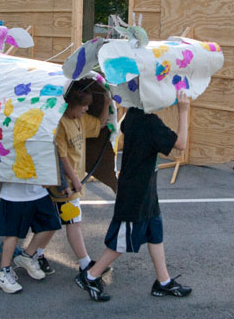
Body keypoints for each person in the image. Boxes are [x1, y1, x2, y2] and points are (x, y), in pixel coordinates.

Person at [76, 92, 192, 302]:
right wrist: (183, 110)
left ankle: (163, 282)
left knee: (155, 233)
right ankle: (91, 276)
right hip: (136, 193)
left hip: (144, 189)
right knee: (122, 240)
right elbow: (181, 144)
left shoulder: (133, 114)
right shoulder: (150, 123)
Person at [36, 83, 110, 275]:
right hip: (64, 185)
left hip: (71, 183)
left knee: (55, 222)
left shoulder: (80, 119)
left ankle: (36, 254)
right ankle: (85, 263)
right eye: (83, 105)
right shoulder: (60, 124)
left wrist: (107, 104)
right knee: (72, 221)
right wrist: (74, 180)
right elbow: (62, 157)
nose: (86, 109)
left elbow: (100, 124)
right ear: (71, 105)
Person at [0, 173, 63, 293]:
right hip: (13, 194)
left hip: (39, 191)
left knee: (51, 224)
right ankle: (3, 273)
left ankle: (27, 256)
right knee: (12, 234)